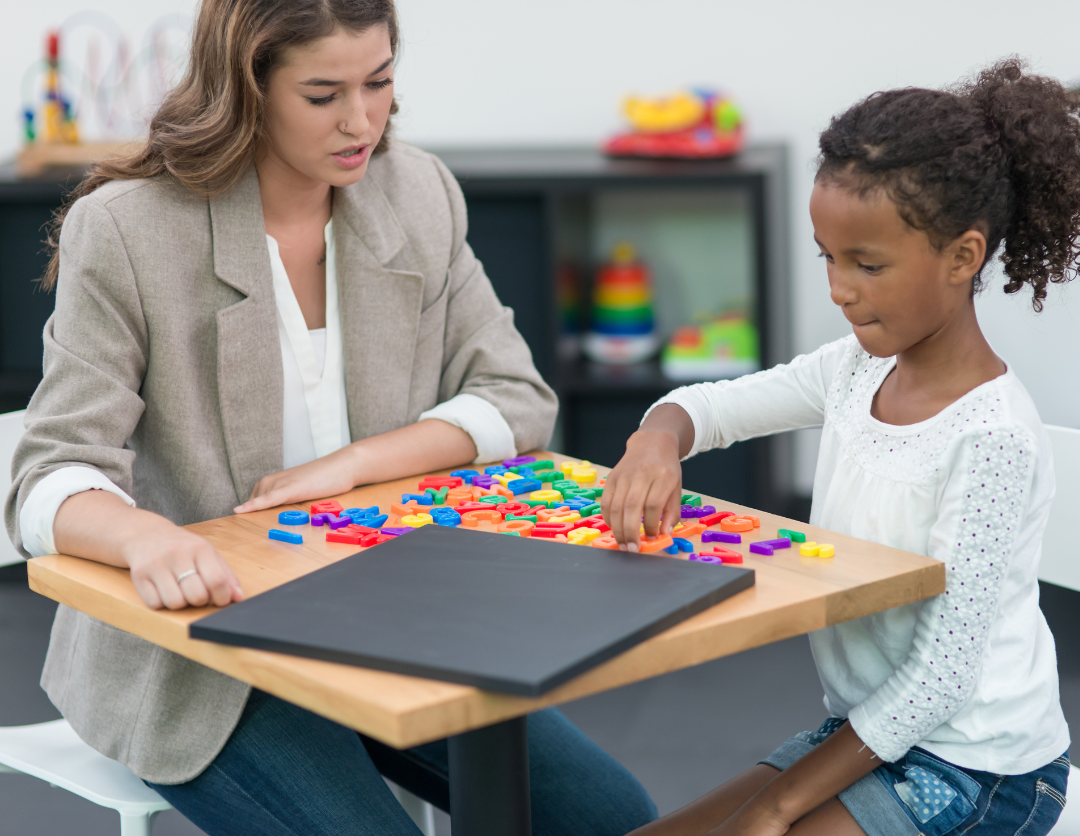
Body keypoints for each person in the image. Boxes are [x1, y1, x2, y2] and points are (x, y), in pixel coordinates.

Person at [5, 0, 658, 833]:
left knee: (618, 817)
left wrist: (356, 463)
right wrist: (146, 539)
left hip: (392, 618)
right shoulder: (132, 229)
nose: (361, 121)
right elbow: (47, 473)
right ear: (248, 88)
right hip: (203, 655)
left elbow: (516, 397)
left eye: (379, 82)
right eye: (323, 95)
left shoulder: (415, 191)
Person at [603, 59, 1080, 836]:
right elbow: (709, 408)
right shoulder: (856, 368)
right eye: (828, 256)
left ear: (962, 258)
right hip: (872, 736)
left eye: (868, 265)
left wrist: (784, 805)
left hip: (982, 767)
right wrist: (657, 438)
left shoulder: (993, 437)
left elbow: (941, 678)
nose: (839, 288)